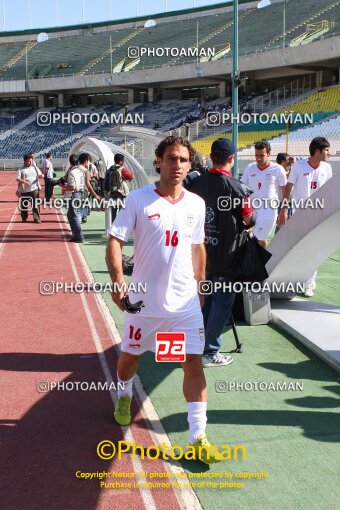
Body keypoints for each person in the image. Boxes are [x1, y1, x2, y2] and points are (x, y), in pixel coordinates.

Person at [106, 135, 220, 464]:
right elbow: (115, 240)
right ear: (159, 161)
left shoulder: (196, 204)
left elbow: (197, 247)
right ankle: (124, 394)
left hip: (183, 307)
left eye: (183, 160)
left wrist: (200, 287)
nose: (177, 165)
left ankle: (198, 435)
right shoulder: (139, 200)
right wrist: (117, 282)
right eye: (171, 158)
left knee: (191, 363)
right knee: (131, 357)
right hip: (144, 305)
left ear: (190, 164)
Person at [190, 138, 256, 367]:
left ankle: (199, 345)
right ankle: (209, 351)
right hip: (227, 255)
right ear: (231, 159)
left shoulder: (196, 184)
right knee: (222, 302)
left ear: (212, 157)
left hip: (201, 254)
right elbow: (249, 219)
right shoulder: (238, 188)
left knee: (205, 299)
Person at [277, 136, 333, 297]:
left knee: (315, 248)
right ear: (317, 151)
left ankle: (309, 283)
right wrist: (284, 209)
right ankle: (295, 279)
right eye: (326, 150)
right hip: (300, 214)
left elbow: (329, 191)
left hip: (320, 214)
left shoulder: (327, 168)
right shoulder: (299, 166)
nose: (329, 153)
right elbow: (289, 187)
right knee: (297, 248)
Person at [241, 140, 287, 248]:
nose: (258, 158)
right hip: (251, 211)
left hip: (268, 211)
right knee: (260, 240)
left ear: (269, 154)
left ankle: (256, 263)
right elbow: (242, 187)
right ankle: (264, 262)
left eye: (262, 155)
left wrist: (283, 211)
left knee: (256, 238)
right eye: (256, 155)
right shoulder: (250, 167)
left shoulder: (278, 169)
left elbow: (285, 192)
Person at [63, 153, 87, 243]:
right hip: (80, 193)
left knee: (73, 215)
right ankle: (75, 234)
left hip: (74, 194)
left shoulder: (72, 172)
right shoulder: (80, 171)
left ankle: (79, 236)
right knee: (70, 214)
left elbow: (73, 187)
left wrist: (63, 186)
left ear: (70, 162)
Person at [105, 153, 134, 224]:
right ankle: (120, 226)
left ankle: (113, 226)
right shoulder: (122, 169)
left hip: (112, 192)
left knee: (113, 211)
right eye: (123, 160)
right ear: (121, 161)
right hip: (122, 193)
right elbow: (131, 176)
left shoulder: (110, 169)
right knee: (122, 211)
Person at [16, 154, 44, 223]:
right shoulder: (21, 169)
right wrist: (25, 182)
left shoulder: (35, 167)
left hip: (34, 189)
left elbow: (40, 175)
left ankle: (36, 218)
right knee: (24, 205)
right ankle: (24, 218)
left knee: (36, 204)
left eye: (31, 161)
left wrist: (41, 176)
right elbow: (17, 179)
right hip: (24, 190)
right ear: (25, 161)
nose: (30, 162)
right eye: (28, 161)